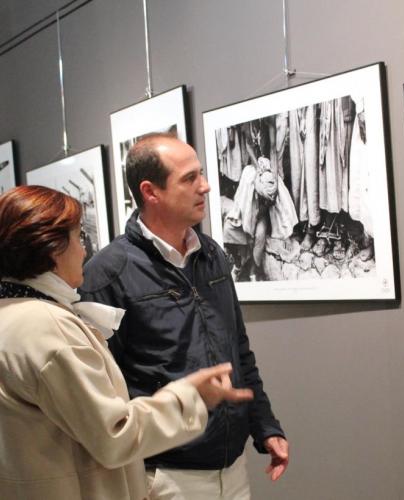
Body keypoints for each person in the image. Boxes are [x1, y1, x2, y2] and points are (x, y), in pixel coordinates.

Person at [0, 185, 253, 500]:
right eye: (78, 238)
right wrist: (190, 397)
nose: (84, 250)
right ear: (53, 249)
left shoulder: (11, 317)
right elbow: (113, 434)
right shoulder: (48, 330)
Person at [79, 133, 289, 499]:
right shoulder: (107, 274)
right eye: (189, 178)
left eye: (202, 174)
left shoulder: (212, 255)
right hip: (164, 477)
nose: (205, 187)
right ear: (150, 191)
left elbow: (237, 349)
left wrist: (265, 426)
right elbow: (99, 391)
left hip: (232, 469)